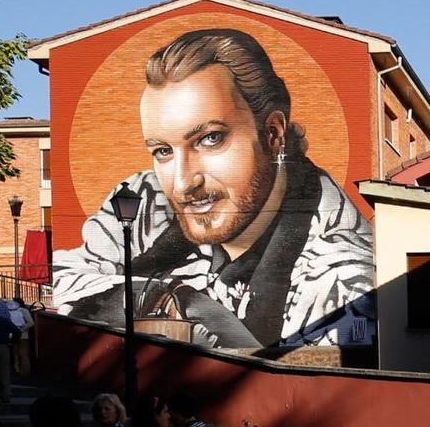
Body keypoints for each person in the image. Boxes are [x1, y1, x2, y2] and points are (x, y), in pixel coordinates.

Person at [54, 29, 376, 348]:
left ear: (273, 134)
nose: (183, 183)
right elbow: (64, 282)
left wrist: (196, 314)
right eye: (163, 151)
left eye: (210, 139)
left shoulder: (340, 281)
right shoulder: (141, 200)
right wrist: (172, 298)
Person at [6, 298, 34, 377]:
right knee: (23, 354)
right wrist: (21, 329)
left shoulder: (9, 311)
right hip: (23, 335)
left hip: (13, 335)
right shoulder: (24, 311)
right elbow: (31, 323)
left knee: (15, 353)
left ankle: (17, 370)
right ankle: (25, 372)